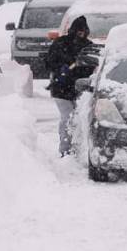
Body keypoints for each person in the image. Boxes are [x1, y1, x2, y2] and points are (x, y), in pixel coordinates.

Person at [44, 15, 95, 157]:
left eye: (84, 31)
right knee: (68, 117)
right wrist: (61, 68)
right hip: (61, 89)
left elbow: (92, 67)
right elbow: (48, 63)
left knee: (79, 119)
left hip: (81, 90)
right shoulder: (60, 43)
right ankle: (65, 149)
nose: (81, 34)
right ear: (72, 30)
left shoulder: (88, 47)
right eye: (79, 31)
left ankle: (78, 149)